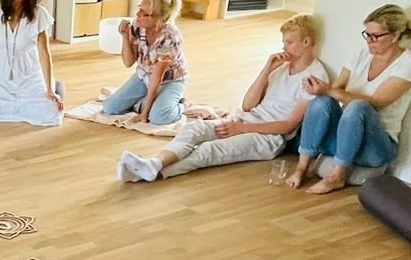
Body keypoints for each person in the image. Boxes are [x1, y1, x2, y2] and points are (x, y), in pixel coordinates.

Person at [118, 13, 330, 183]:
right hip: (246, 120)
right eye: (283, 42)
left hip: (268, 138)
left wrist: (242, 129)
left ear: (307, 41)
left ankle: (150, 173)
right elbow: (248, 105)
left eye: (290, 42)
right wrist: (267, 70)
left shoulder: (315, 77)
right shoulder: (282, 66)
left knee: (209, 150)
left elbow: (288, 126)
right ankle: (154, 163)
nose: (284, 47)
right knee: (194, 129)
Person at [288, 4, 411, 194]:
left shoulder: (409, 65)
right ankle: (302, 167)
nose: (369, 41)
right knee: (321, 102)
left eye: (375, 36)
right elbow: (335, 91)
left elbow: (377, 103)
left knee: (358, 106)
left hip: (376, 147)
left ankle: (337, 176)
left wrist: (329, 90)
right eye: (367, 34)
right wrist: (320, 89)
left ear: (394, 36)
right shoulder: (360, 55)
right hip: (346, 136)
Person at [99, 0, 189, 129]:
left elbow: (157, 78)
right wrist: (125, 36)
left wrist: (145, 114)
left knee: (158, 117)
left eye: (144, 13)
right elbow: (128, 62)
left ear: (159, 18)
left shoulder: (170, 36)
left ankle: (183, 105)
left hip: (169, 81)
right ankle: (146, 102)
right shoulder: (138, 26)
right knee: (110, 108)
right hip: (143, 76)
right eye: (139, 9)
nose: (138, 15)